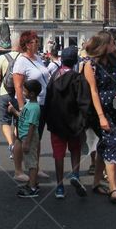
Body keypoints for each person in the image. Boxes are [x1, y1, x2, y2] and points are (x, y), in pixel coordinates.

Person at [83, 31, 116, 203]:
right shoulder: (90, 65)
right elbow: (93, 92)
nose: (115, 45)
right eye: (112, 42)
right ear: (104, 45)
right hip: (99, 110)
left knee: (105, 145)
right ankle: (113, 188)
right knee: (113, 144)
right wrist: (101, 117)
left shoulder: (114, 62)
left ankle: (96, 183)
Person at [42, 47, 88, 198]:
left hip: (56, 122)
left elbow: (47, 101)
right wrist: (84, 121)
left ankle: (60, 186)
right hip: (74, 122)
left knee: (58, 155)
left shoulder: (54, 77)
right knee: (75, 150)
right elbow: (83, 102)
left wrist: (47, 119)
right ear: (75, 61)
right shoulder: (78, 78)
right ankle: (75, 174)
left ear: (62, 60)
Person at [11, 31, 50, 183]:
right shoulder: (21, 61)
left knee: (37, 137)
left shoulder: (38, 58)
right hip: (28, 105)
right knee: (22, 138)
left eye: (37, 41)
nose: (38, 43)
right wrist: (22, 109)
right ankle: (18, 170)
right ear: (27, 44)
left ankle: (36, 167)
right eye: (35, 41)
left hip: (42, 103)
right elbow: (18, 87)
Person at [16, 80, 43, 198]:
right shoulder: (29, 105)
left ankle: (32, 188)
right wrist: (13, 111)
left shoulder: (34, 107)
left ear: (32, 94)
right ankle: (32, 182)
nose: (23, 92)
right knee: (30, 161)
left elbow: (32, 126)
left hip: (29, 137)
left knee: (31, 162)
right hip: (25, 136)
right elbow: (23, 117)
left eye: (25, 91)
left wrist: (27, 142)